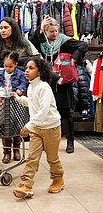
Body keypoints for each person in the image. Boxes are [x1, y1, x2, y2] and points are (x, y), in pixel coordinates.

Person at [29, 16, 88, 153]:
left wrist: (74, 57)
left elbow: (83, 45)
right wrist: (40, 26)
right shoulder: (42, 42)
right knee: (45, 110)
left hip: (62, 82)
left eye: (56, 31)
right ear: (45, 31)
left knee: (66, 113)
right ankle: (45, 141)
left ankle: (70, 141)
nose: (54, 34)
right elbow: (30, 43)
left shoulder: (64, 41)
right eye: (51, 31)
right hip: (47, 82)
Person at [12, 57, 64, 199]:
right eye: (26, 68)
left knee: (52, 158)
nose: (26, 71)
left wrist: (29, 125)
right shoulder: (31, 86)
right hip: (37, 129)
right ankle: (26, 184)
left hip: (51, 128)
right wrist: (18, 98)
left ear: (39, 71)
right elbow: (32, 102)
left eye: (31, 68)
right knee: (32, 158)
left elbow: (43, 110)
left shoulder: (44, 87)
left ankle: (58, 179)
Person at [0, 50, 27, 163]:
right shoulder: (0, 74)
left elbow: (23, 84)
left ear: (16, 64)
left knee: (17, 127)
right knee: (5, 128)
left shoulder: (21, 74)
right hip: (2, 104)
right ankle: (6, 152)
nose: (7, 68)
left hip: (16, 104)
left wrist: (20, 90)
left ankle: (16, 149)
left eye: (10, 66)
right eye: (5, 66)